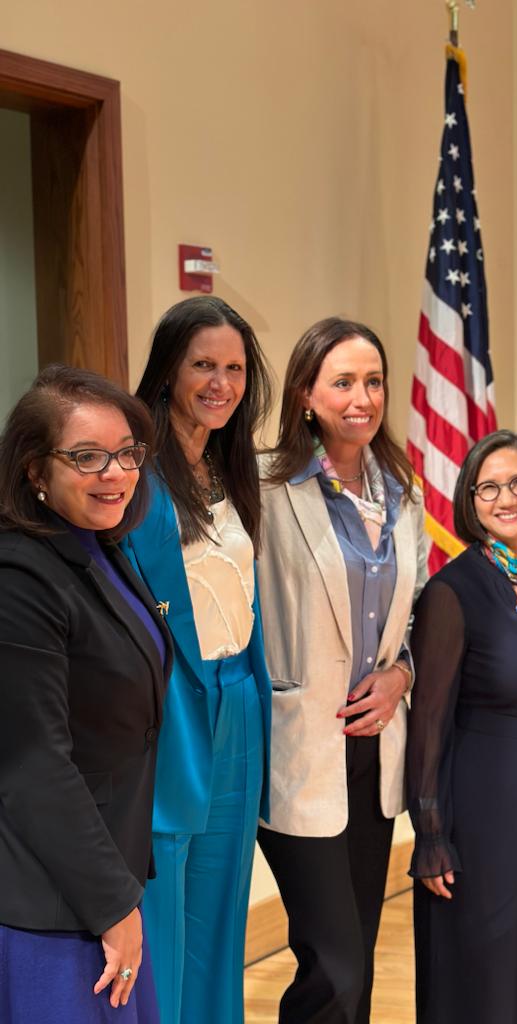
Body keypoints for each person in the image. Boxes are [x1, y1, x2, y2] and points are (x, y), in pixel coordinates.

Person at [256, 316, 427, 1024]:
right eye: (344, 382)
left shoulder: (402, 491)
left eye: (374, 381)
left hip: (373, 751)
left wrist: (402, 675)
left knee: (358, 951)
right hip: (300, 746)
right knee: (336, 965)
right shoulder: (266, 488)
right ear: (305, 393)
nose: (363, 398)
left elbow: (414, 614)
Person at [0, 364, 169, 1023]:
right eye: (87, 457)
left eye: (127, 453)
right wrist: (111, 904)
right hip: (52, 901)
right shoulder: (19, 577)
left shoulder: (97, 545)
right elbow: (33, 765)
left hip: (102, 877)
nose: (116, 473)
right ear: (35, 470)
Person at [121, 296, 274, 1024]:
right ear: (168, 371)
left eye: (234, 369)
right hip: (172, 704)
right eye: (203, 365)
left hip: (238, 696)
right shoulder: (135, 477)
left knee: (221, 910)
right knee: (165, 910)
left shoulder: (227, 467)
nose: (221, 383)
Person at [406, 429, 517, 1024]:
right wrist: (431, 834)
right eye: (489, 488)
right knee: (486, 961)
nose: (506, 498)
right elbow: (428, 721)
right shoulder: (452, 591)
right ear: (469, 500)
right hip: (482, 805)